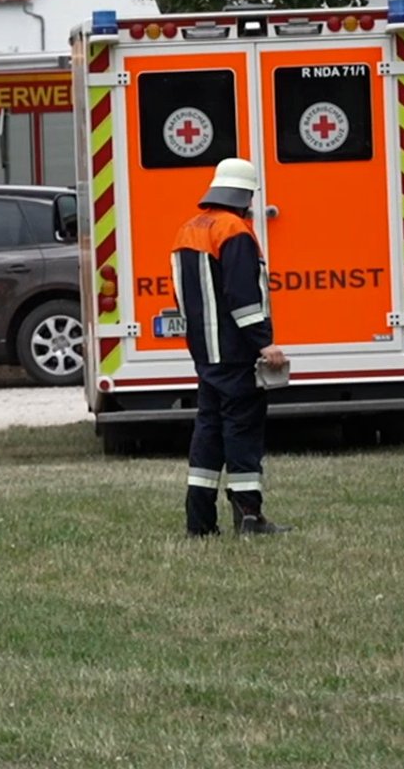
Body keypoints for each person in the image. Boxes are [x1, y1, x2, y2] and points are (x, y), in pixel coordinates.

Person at [174, 157, 290, 537]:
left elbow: (181, 296)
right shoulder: (234, 230)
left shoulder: (187, 231)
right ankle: (249, 517)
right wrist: (265, 343)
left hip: (205, 353)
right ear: (244, 197)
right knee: (242, 431)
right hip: (237, 353)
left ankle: (200, 522)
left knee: (207, 432)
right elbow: (242, 296)